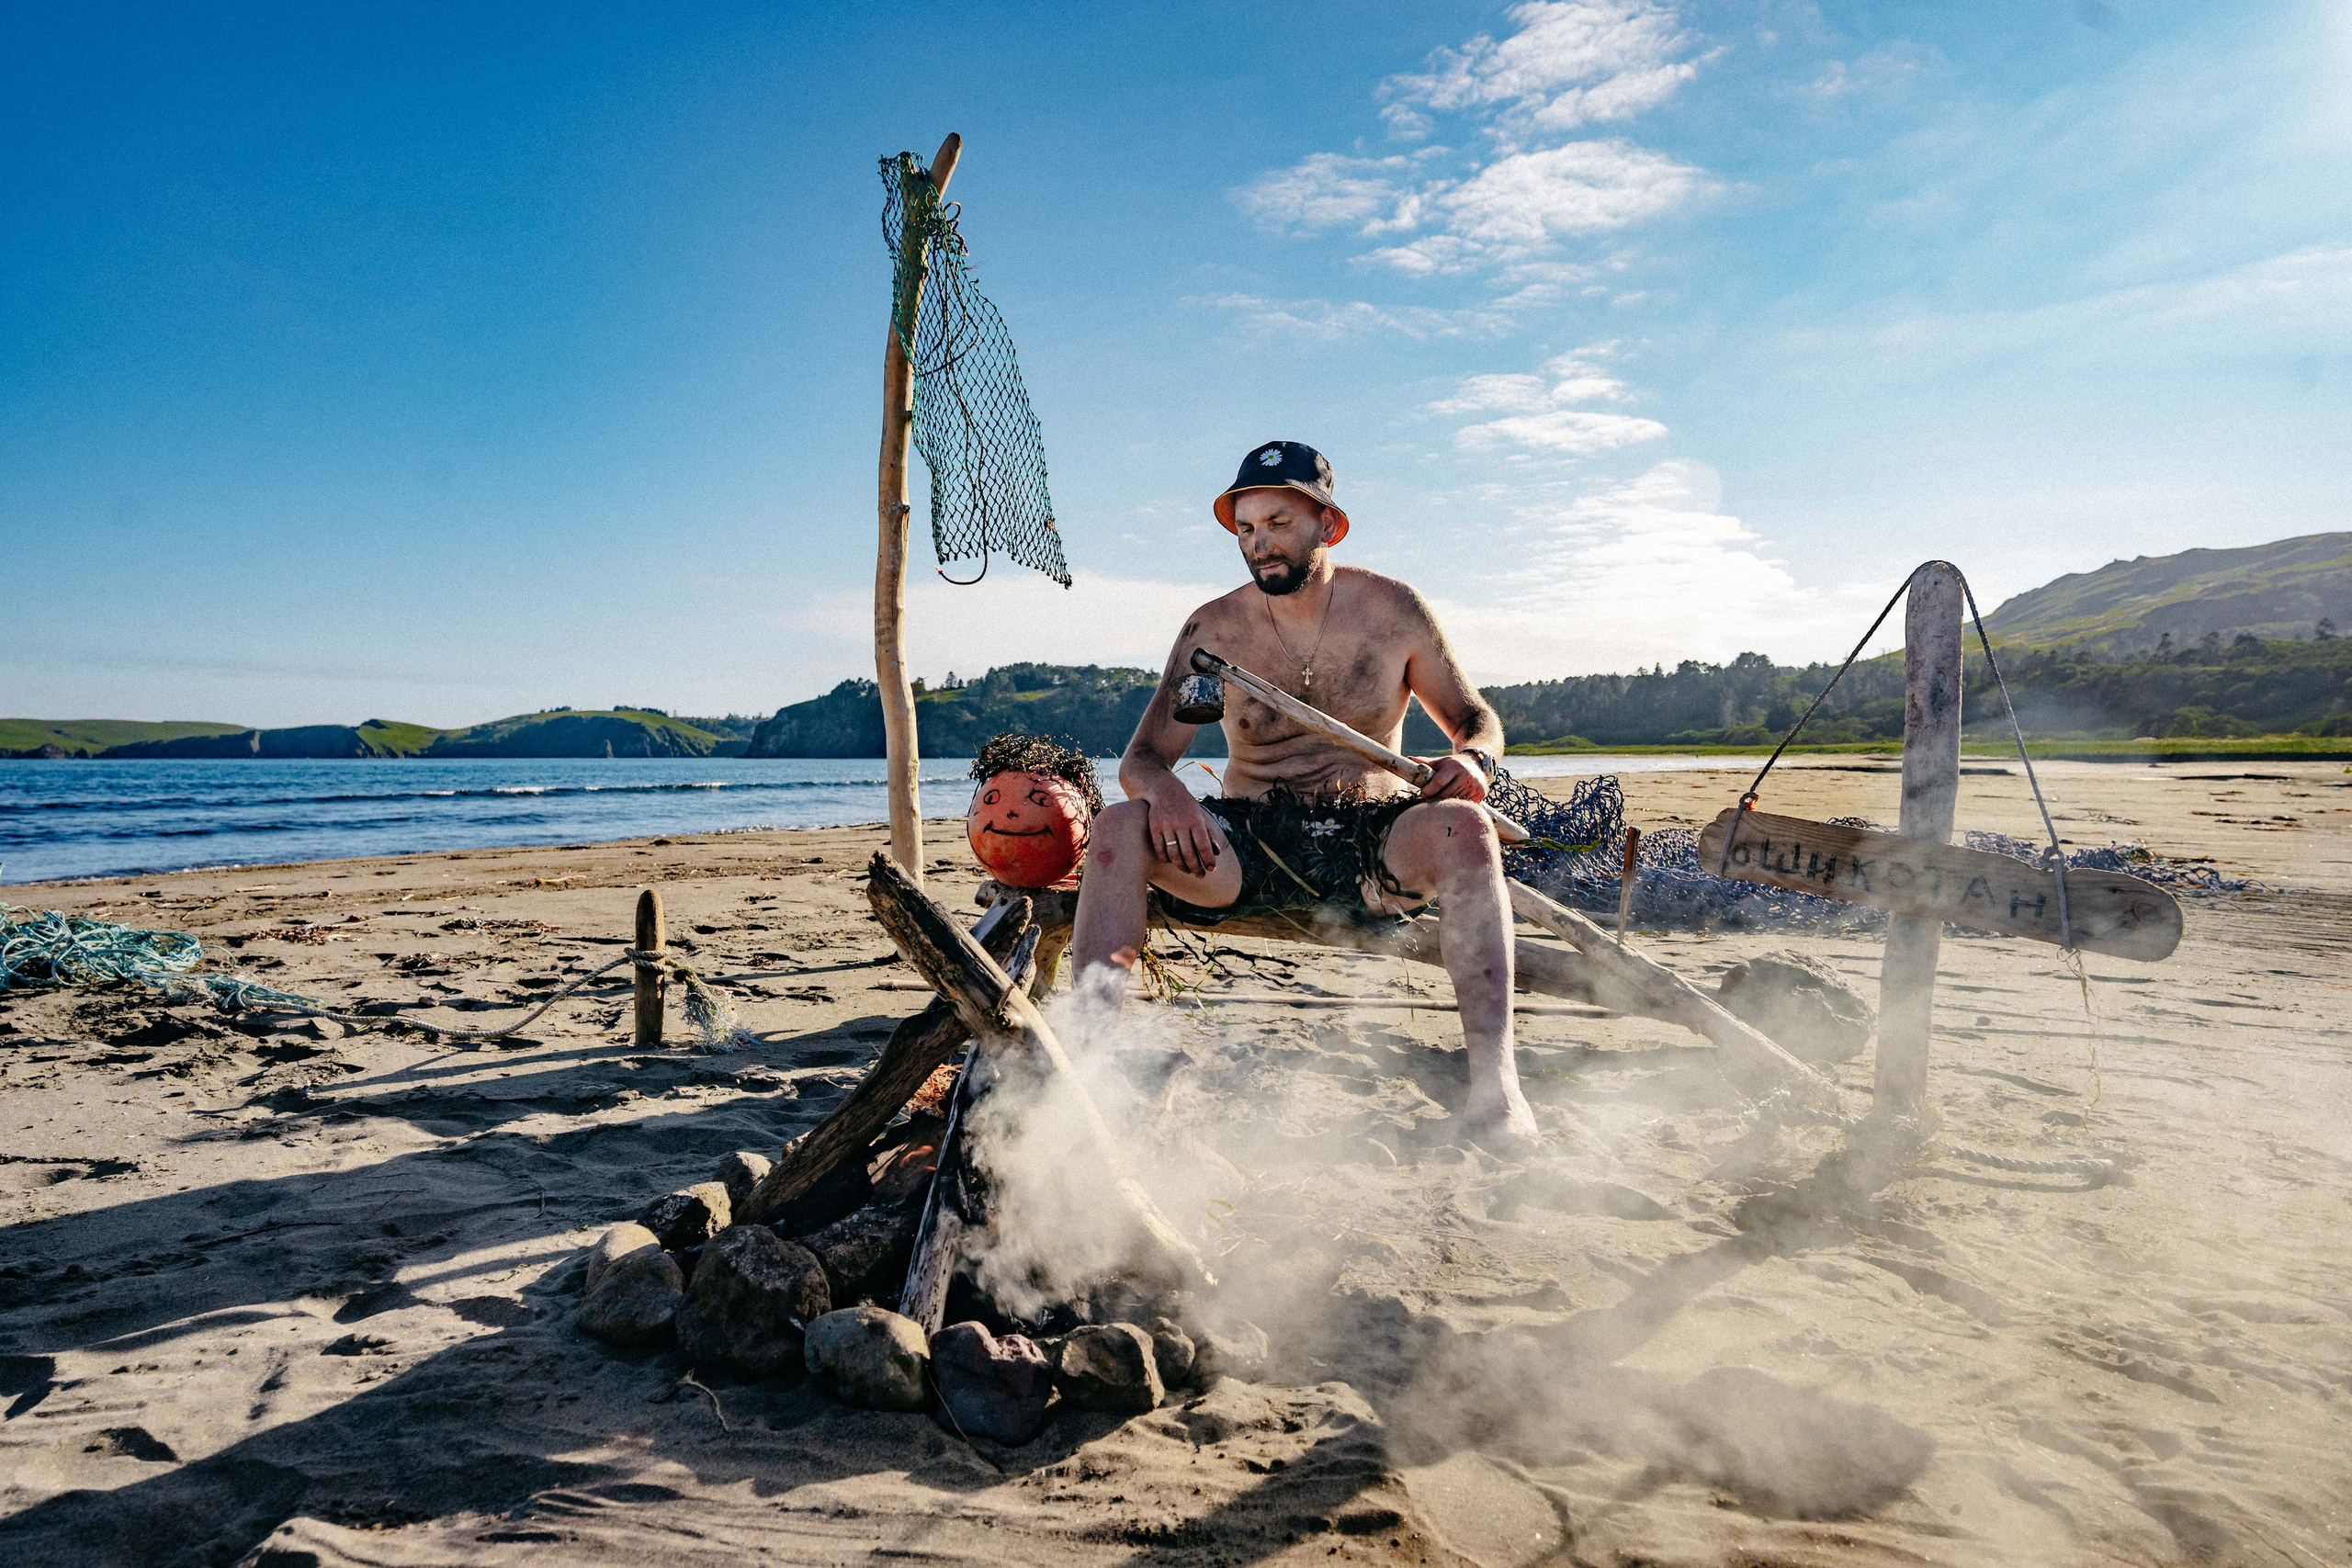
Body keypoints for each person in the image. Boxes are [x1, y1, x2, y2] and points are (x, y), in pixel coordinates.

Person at [1071, 440, 1535, 1140]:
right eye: (1247, 529)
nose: (1261, 545)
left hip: (1373, 843)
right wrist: (1167, 795)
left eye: (1279, 524)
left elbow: (1478, 721)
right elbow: (1143, 758)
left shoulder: (1394, 610)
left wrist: (1474, 761)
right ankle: (1091, 1064)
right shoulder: (1213, 632)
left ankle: (1496, 1088)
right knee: (1115, 829)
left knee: (1464, 829)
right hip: (1246, 844)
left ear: (1329, 525)